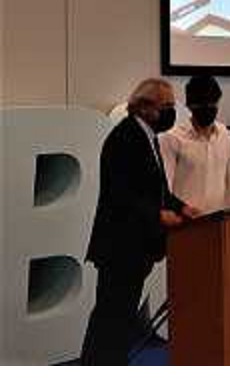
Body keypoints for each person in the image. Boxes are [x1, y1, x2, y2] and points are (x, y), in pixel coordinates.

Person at [81, 78, 196, 365]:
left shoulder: (148, 138)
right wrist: (158, 215)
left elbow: (157, 190)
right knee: (111, 316)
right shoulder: (125, 137)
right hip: (120, 247)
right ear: (145, 107)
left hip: (136, 247)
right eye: (166, 106)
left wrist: (182, 207)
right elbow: (121, 194)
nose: (171, 112)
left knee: (119, 317)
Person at [160, 74, 230, 215]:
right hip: (186, 220)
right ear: (190, 105)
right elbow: (165, 186)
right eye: (203, 104)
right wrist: (178, 209)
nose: (208, 108)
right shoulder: (171, 138)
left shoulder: (226, 135)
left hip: (217, 220)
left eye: (213, 103)